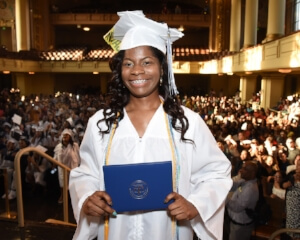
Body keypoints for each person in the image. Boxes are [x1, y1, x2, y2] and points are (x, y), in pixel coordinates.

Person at [69, 10, 232, 240]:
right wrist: (87, 197)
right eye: (128, 63)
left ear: (162, 68)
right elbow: (84, 173)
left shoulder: (186, 123)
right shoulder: (101, 123)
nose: (137, 70)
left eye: (147, 62)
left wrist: (195, 205)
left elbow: (217, 173)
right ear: (120, 70)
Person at [225, 162, 259, 240]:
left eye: (245, 169)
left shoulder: (250, 189)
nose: (241, 170)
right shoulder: (245, 181)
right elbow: (234, 186)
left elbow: (237, 207)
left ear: (252, 173)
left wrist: (225, 198)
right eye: (242, 168)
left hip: (241, 227)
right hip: (235, 223)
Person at [53, 128, 80, 203]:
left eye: (67, 136)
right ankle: (63, 196)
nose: (65, 137)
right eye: (64, 136)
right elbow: (55, 158)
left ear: (70, 137)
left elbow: (79, 156)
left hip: (72, 167)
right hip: (62, 168)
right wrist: (53, 167)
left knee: (73, 183)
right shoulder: (58, 147)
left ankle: (74, 197)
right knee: (62, 183)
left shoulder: (75, 146)